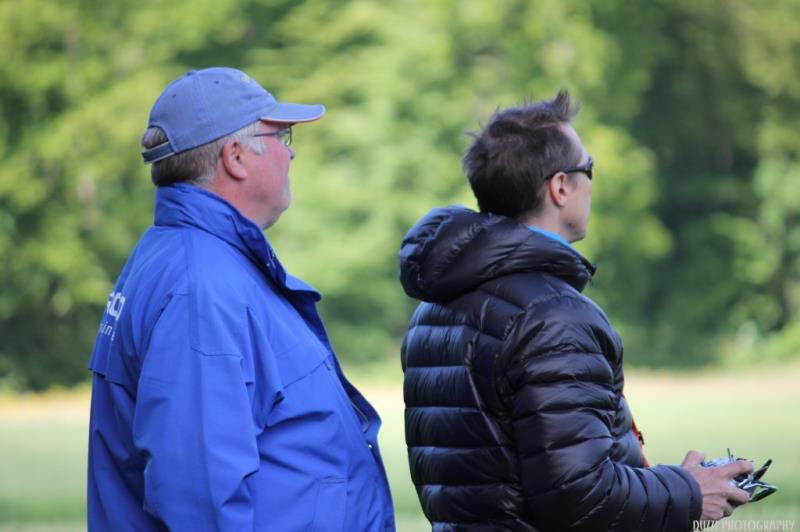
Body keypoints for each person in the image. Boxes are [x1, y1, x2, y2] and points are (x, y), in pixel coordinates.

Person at [398, 90, 753, 531]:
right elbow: (578, 495)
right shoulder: (554, 317)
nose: (591, 184)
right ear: (561, 186)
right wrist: (689, 491)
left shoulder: (432, 311)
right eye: (590, 169)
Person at [87, 67, 394, 531]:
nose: (291, 153)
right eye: (281, 136)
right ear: (235, 157)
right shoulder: (201, 289)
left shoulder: (190, 261)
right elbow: (199, 502)